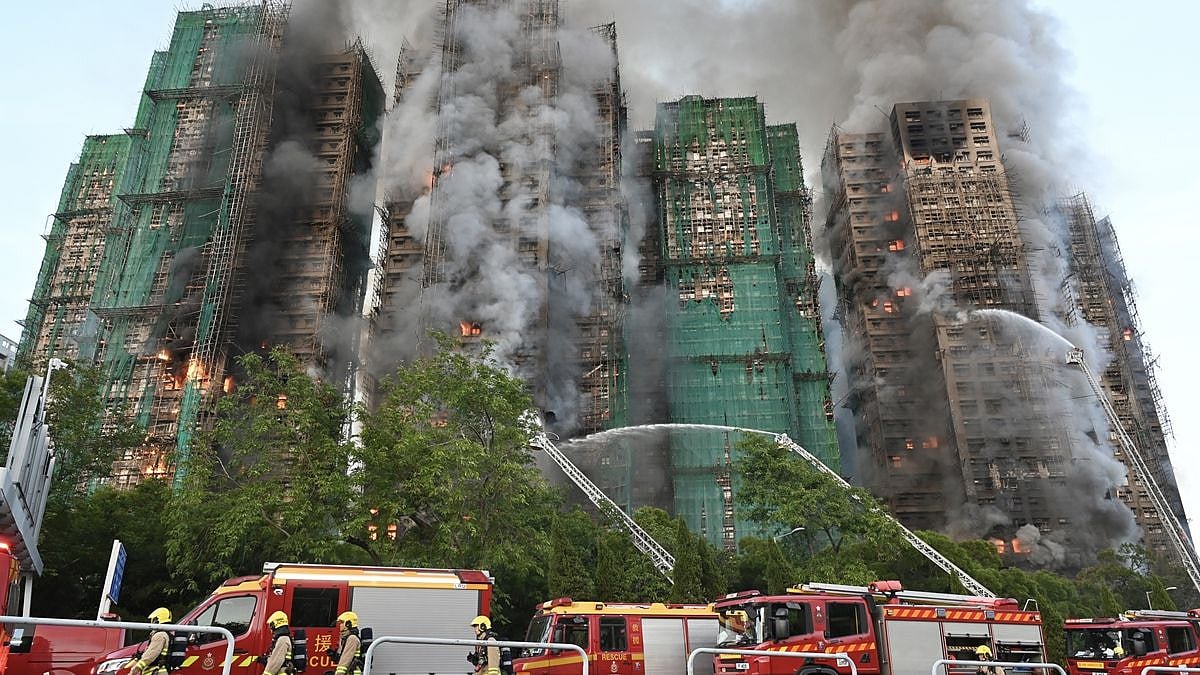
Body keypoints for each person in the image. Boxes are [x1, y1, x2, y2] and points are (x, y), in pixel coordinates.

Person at [129, 607, 173, 675]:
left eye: (153, 619)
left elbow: (151, 653)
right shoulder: (165, 634)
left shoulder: (160, 635)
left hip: (155, 671)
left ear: (157, 619)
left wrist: (138, 667)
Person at [258, 611, 293, 675]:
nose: (270, 628)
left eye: (270, 625)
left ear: (275, 625)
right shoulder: (282, 638)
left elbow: (276, 662)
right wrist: (266, 659)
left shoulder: (282, 640)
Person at [329, 610, 363, 675]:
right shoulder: (345, 638)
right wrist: (335, 656)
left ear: (348, 624)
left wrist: (339, 673)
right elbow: (342, 657)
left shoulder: (352, 638)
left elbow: (345, 659)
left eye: (342, 623)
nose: (340, 625)